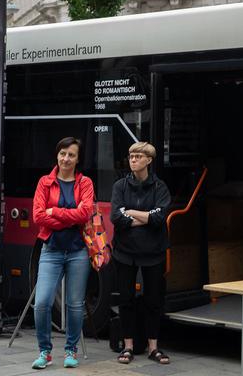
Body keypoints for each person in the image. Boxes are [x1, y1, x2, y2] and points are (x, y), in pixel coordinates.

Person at [31, 137, 94, 369]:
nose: (66, 158)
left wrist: (55, 212)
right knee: (42, 303)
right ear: (57, 155)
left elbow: (85, 214)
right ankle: (45, 352)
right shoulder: (45, 182)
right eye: (62, 153)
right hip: (51, 251)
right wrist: (70, 218)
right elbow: (38, 216)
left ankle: (71, 350)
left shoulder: (85, 182)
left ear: (78, 159)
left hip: (78, 252)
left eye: (71, 155)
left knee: (75, 305)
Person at [111, 142, 172, 365]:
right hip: (124, 252)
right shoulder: (120, 186)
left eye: (138, 156)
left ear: (149, 160)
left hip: (153, 252)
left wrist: (131, 212)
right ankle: (127, 346)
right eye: (131, 156)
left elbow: (159, 218)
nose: (133, 160)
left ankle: (153, 348)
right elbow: (116, 218)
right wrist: (145, 217)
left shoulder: (160, 187)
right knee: (125, 299)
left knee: (153, 300)